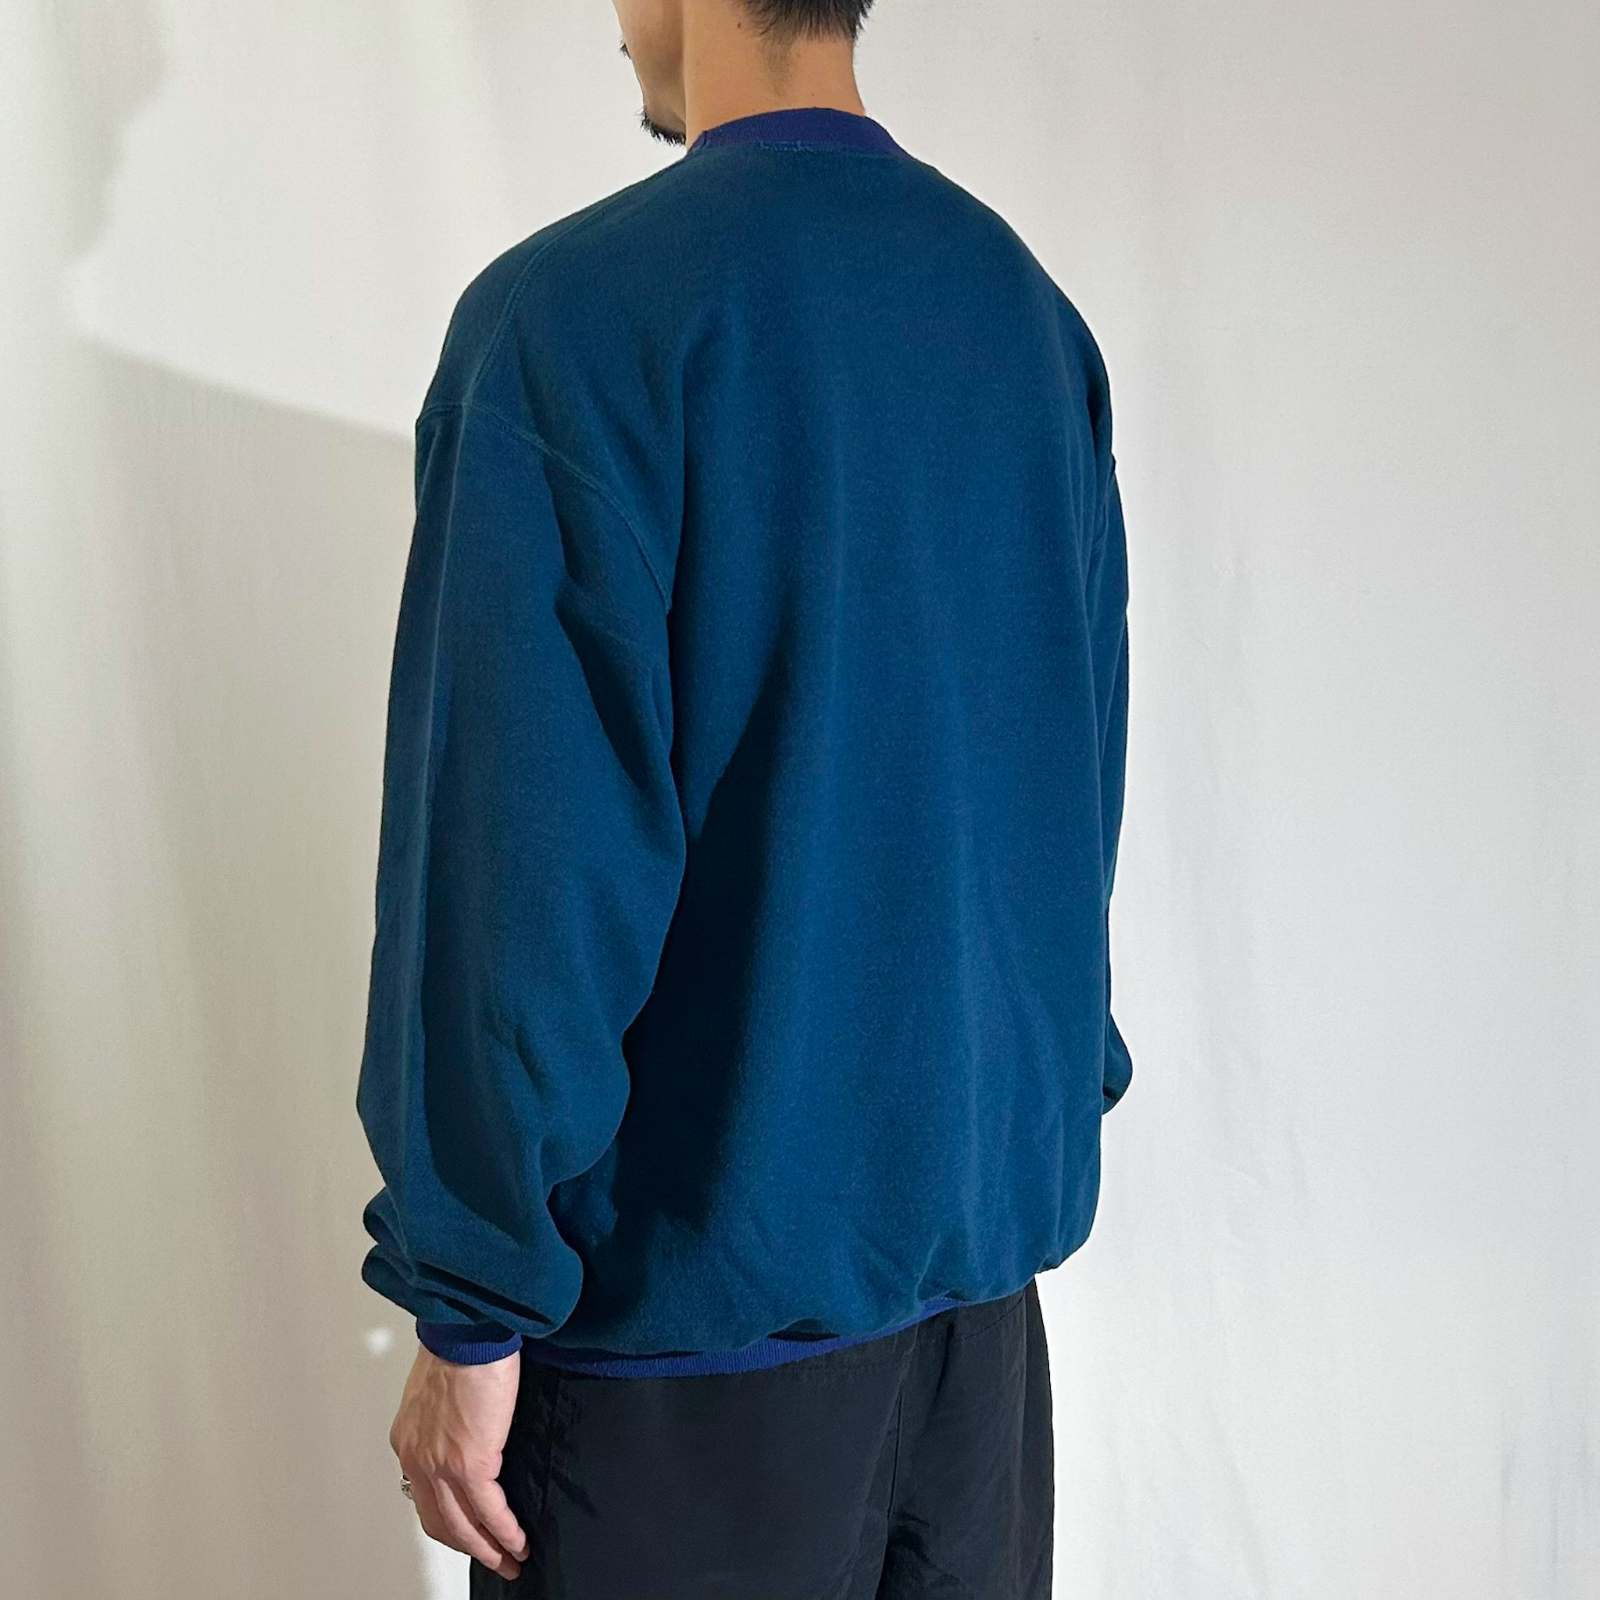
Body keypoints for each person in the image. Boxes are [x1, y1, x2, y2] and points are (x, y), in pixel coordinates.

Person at [354, 0, 1134, 1592]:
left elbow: (517, 872)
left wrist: (471, 1301)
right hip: (975, 1348)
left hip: (687, 1355)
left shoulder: (574, 322)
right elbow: (1075, 781)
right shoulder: (1021, 311)